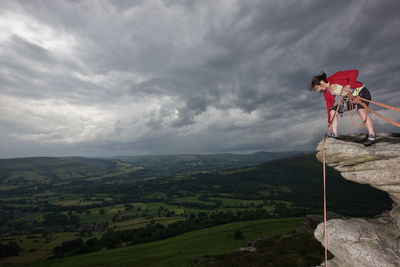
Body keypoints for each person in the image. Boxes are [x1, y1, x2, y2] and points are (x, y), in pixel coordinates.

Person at [310, 69, 376, 146]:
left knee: (361, 111)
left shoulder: (336, 77)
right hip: (350, 100)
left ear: (321, 82)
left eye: (317, 87)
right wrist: (329, 122)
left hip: (362, 92)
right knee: (333, 111)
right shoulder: (327, 92)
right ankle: (334, 133)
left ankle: (372, 135)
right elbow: (329, 106)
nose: (318, 90)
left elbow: (355, 72)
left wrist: (349, 85)